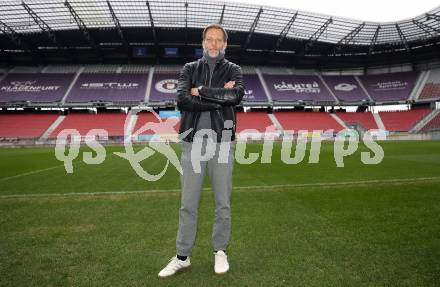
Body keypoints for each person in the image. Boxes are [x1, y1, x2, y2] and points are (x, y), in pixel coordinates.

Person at [158, 23, 244, 278]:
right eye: (210, 39)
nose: (214, 44)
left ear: (225, 44)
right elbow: (182, 100)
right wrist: (218, 97)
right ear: (203, 42)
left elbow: (235, 97)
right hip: (192, 142)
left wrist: (202, 92)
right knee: (188, 204)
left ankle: (220, 251)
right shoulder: (189, 68)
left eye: (219, 40)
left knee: (222, 204)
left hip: (222, 142)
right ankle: (182, 257)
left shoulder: (234, 70)